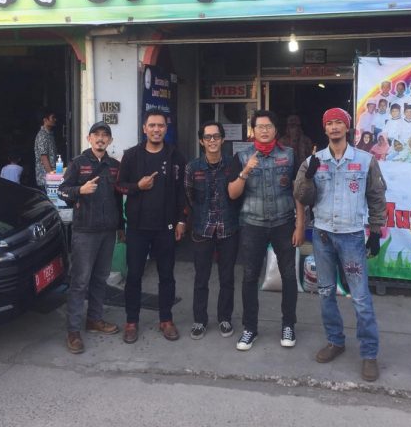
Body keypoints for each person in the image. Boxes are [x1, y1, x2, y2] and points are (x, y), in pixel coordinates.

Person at [294, 107, 387, 382]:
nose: (334, 127)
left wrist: (375, 231)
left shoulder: (365, 161)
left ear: (347, 128)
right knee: (325, 292)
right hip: (322, 235)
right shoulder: (313, 161)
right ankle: (335, 341)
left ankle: (369, 354)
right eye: (329, 123)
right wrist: (308, 177)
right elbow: (302, 196)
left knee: (360, 298)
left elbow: (377, 197)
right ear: (324, 129)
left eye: (339, 123)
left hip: (352, 237)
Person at [228, 110, 305, 351]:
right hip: (252, 224)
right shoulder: (242, 156)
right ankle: (249, 328)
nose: (264, 130)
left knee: (289, 275)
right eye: (259, 126)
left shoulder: (289, 155)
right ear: (253, 130)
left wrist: (300, 224)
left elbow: (299, 192)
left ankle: (288, 325)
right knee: (250, 276)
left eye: (268, 126)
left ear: (275, 130)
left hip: (284, 223)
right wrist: (245, 171)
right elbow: (232, 193)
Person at [116, 109, 187, 344]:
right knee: (134, 275)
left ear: (166, 129)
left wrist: (181, 220)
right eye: (152, 125)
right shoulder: (131, 156)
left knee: (166, 275)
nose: (157, 129)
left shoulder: (176, 156)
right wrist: (138, 186)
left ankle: (166, 319)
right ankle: (131, 321)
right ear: (144, 128)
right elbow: (120, 186)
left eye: (161, 126)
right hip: (137, 227)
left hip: (166, 227)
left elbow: (182, 192)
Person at [58, 121, 124, 354]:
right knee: (80, 281)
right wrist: (80, 190)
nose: (100, 138)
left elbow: (117, 198)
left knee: (100, 278)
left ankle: (94, 319)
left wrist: (120, 226)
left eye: (105, 135)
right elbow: (62, 191)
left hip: (108, 231)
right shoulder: (78, 163)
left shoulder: (114, 166)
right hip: (85, 231)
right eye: (96, 134)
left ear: (110, 141)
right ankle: (73, 330)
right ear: (89, 138)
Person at [184, 121, 240, 340]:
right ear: (201, 141)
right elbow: (189, 196)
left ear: (223, 139)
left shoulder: (232, 164)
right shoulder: (193, 167)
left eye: (216, 136)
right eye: (208, 137)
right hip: (202, 229)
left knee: (227, 277)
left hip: (228, 228)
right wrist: (199, 216)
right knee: (201, 278)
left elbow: (238, 194)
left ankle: (225, 318)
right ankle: (200, 320)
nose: (212, 140)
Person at [34, 108, 58, 189]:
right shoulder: (42, 136)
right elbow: (44, 157)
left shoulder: (49, 135)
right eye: (52, 117)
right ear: (45, 120)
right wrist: (52, 176)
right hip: (46, 178)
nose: (55, 119)